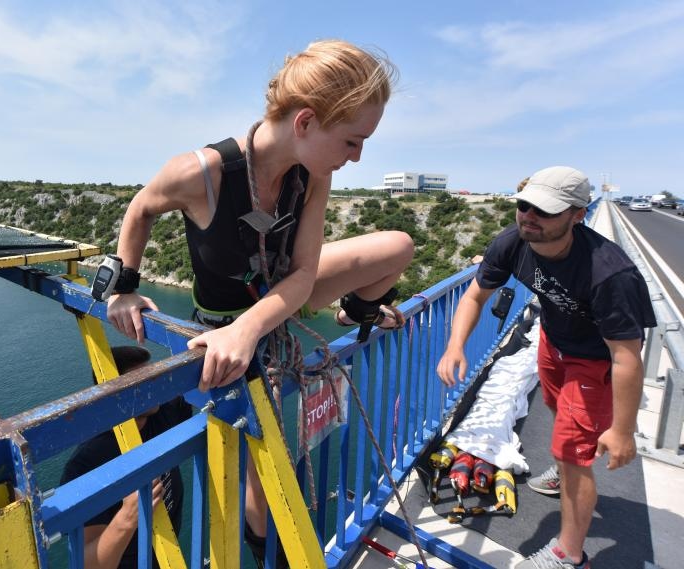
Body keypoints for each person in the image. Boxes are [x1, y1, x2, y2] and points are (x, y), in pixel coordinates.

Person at [106, 39, 414, 567]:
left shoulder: (313, 174)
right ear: (305, 122)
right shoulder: (201, 173)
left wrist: (250, 329)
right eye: (352, 140)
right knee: (261, 473)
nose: (357, 156)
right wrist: (124, 285)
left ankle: (356, 312)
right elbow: (141, 208)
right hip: (224, 316)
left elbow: (304, 272)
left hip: (281, 296)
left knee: (399, 247)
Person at [436, 166, 656, 569]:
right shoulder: (513, 241)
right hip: (554, 343)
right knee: (557, 416)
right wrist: (455, 346)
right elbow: (474, 296)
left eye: (545, 210)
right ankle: (564, 464)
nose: (529, 217)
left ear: (578, 214)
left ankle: (569, 555)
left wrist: (623, 430)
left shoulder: (609, 274)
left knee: (573, 455)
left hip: (594, 361)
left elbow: (627, 357)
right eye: (524, 206)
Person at [60, 345, 192, 569]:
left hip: (169, 555)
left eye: (152, 377)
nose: (153, 388)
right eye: (141, 383)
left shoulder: (161, 412)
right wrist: (127, 518)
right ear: (112, 396)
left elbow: (195, 379)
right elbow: (87, 564)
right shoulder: (87, 464)